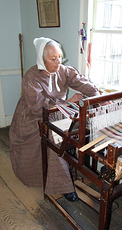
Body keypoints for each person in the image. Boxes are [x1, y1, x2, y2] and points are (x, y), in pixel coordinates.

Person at [9, 37, 100, 201]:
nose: (58, 61)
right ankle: (64, 186)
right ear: (42, 59)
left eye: (59, 56)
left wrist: (98, 95)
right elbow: (39, 107)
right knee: (53, 135)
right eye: (53, 58)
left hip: (56, 112)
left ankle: (68, 170)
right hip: (31, 117)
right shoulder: (31, 77)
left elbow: (81, 82)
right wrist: (68, 103)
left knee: (64, 132)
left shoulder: (64, 71)